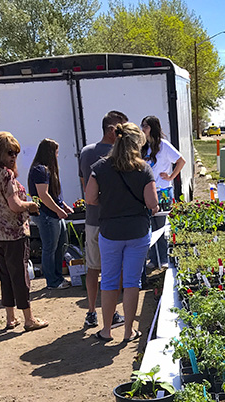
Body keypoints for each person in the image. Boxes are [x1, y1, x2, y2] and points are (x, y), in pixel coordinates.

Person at [85, 122, 159, 342]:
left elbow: (89, 198)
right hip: (137, 231)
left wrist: (109, 202)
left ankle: (107, 330)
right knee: (131, 282)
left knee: (108, 281)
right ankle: (128, 331)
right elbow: (152, 203)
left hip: (110, 231)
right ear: (137, 143)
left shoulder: (100, 167)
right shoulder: (144, 168)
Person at [0, 131, 48, 331]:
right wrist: (30, 205)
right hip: (12, 232)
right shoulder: (5, 174)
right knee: (19, 275)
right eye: (9, 153)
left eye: (16, 153)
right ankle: (29, 319)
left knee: (5, 274)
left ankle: (10, 317)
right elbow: (15, 205)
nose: (13, 157)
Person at [78, 110, 128, 328]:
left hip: (92, 219)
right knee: (114, 270)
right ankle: (113, 312)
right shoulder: (121, 153)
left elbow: (84, 185)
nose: (124, 133)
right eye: (121, 128)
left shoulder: (86, 152)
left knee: (93, 267)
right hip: (114, 221)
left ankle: (91, 312)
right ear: (111, 130)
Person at [140, 115, 186, 272]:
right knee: (149, 226)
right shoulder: (143, 146)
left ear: (152, 127)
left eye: (145, 126)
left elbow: (181, 161)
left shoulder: (164, 145)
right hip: (146, 191)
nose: (142, 129)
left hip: (163, 191)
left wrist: (171, 176)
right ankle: (153, 258)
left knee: (161, 225)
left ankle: (164, 258)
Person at [28, 139, 73, 289]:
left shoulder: (46, 170)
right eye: (56, 152)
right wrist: (58, 210)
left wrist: (64, 206)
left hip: (53, 214)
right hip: (46, 215)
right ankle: (52, 281)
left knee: (62, 245)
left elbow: (54, 194)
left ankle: (58, 277)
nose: (57, 155)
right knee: (50, 248)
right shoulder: (40, 170)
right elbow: (43, 195)